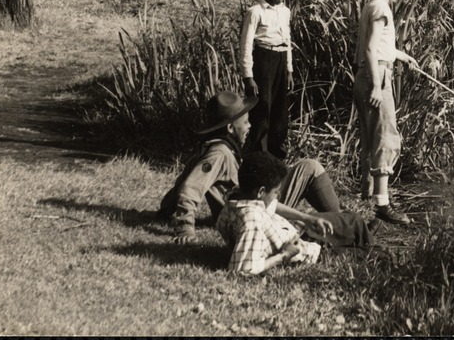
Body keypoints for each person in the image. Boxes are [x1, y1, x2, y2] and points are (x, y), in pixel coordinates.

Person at [158, 91, 371, 248]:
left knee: (307, 167)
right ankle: (343, 228)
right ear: (231, 128)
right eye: (245, 122)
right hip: (252, 209)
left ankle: (343, 225)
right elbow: (189, 187)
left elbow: (186, 178)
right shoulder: (220, 153)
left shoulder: (216, 147)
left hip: (253, 202)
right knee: (311, 167)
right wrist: (185, 227)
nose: (250, 126)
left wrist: (164, 210)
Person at [353, 0, 418, 225]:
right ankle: (382, 205)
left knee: (371, 137)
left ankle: (367, 195)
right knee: (386, 137)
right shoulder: (381, 9)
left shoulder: (372, 5)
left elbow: (378, 46)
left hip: (368, 73)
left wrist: (402, 56)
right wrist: (379, 86)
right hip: (376, 75)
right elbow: (370, 49)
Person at [217, 152, 322, 274]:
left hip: (297, 232)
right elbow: (244, 269)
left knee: (338, 219)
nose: (278, 196)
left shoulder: (236, 197)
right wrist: (283, 256)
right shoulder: (252, 220)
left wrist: (305, 218)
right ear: (261, 191)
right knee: (346, 223)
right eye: (276, 192)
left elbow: (272, 205)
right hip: (312, 251)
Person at [240, 0, 294, 160]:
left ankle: (276, 156)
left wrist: (289, 70)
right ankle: (258, 157)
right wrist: (248, 77)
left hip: (280, 60)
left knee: (280, 112)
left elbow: (287, 41)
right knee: (262, 109)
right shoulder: (255, 12)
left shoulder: (285, 11)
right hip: (263, 61)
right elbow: (246, 45)